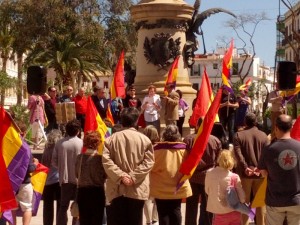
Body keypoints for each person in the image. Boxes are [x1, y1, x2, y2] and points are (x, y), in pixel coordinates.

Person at [102, 107, 154, 225]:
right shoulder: (145, 140)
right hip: (137, 189)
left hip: (116, 189)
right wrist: (132, 177)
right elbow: (149, 162)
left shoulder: (110, 140)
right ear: (136, 121)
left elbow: (106, 161)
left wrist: (121, 177)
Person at [258, 114, 300, 225]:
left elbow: (263, 173)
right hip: (296, 200)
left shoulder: (268, 149)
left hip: (275, 201)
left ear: (276, 127)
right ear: (291, 127)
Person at [150, 125, 192, 225]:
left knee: (163, 213)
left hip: (160, 188)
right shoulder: (184, 150)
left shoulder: (156, 150)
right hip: (177, 187)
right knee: (176, 210)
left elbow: (151, 166)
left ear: (164, 134)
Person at [185, 118, 222, 225]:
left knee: (191, 205)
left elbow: (184, 158)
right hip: (209, 177)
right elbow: (218, 161)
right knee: (207, 206)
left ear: (197, 125)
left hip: (192, 177)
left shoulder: (188, 139)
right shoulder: (215, 140)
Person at [233, 112, 269, 225]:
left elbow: (238, 155)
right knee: (260, 204)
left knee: (244, 203)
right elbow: (266, 154)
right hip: (260, 175)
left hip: (245, 175)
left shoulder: (238, 135)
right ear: (256, 122)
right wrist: (259, 168)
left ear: (245, 122)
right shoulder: (264, 136)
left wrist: (245, 168)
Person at [52, 119, 83, 225]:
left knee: (63, 206)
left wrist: (62, 167)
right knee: (77, 205)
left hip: (65, 179)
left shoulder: (60, 143)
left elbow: (54, 162)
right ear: (78, 131)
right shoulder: (81, 144)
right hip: (79, 179)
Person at [205, 150, 245, 225]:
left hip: (218, 212)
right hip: (234, 212)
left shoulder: (209, 173)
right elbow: (242, 198)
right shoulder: (234, 177)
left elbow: (207, 191)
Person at [75, 131, 106, 225]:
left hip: (83, 192)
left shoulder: (79, 158)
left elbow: (76, 174)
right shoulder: (101, 159)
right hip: (97, 192)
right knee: (97, 220)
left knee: (84, 220)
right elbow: (105, 176)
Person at [41, 129, 62, 225]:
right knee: (60, 205)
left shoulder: (46, 148)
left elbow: (44, 163)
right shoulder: (59, 148)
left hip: (47, 180)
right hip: (59, 180)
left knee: (47, 206)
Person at [12, 154, 39, 225]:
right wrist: (35, 164)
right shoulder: (25, 149)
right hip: (25, 183)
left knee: (11, 208)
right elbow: (30, 168)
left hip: (12, 184)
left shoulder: (8, 146)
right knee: (27, 208)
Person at [142, 125, 160, 225]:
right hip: (157, 174)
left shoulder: (143, 146)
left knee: (147, 200)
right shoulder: (159, 147)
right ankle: (155, 219)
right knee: (156, 198)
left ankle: (149, 221)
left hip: (146, 175)